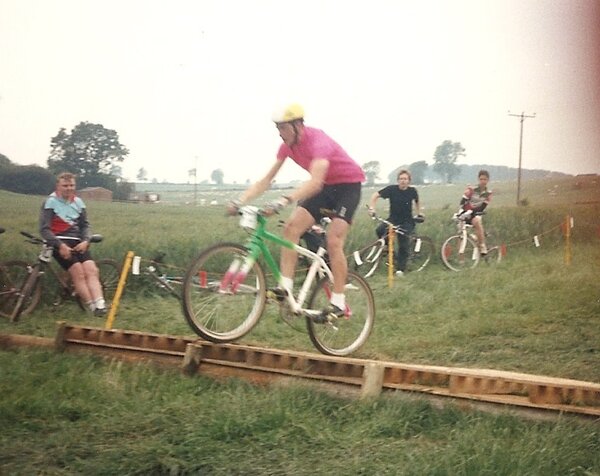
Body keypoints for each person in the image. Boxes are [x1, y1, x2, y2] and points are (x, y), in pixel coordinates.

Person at [227, 103, 365, 322]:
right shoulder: (286, 147)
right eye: (278, 129)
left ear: (298, 125)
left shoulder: (318, 141)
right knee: (291, 228)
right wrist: (239, 200)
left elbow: (316, 182)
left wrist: (284, 200)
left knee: (333, 239)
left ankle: (338, 301)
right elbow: (266, 180)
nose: (280, 134)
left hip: (347, 187)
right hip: (325, 188)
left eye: (283, 128)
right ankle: (286, 287)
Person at [40, 172, 108, 316]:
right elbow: (44, 229)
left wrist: (86, 241)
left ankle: (101, 304)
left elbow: (85, 226)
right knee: (78, 272)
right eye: (65, 185)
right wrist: (60, 245)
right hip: (59, 242)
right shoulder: (50, 202)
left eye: (71, 185)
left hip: (78, 242)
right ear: (58, 186)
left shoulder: (78, 202)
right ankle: (93, 307)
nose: (69, 188)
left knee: (91, 270)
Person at [367, 169, 422, 276]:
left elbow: (417, 201)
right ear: (398, 180)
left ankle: (400, 269)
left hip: (407, 221)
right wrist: (372, 208)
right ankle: (389, 250)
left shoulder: (412, 191)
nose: (403, 181)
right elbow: (375, 195)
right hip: (393, 219)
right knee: (380, 230)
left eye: (405, 179)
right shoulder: (392, 189)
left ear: (409, 181)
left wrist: (420, 213)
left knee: (403, 244)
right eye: (401, 179)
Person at [456, 169, 492, 255]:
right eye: (481, 179)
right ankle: (460, 258)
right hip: (465, 212)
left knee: (477, 221)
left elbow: (482, 207)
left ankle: (482, 246)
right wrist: (463, 211)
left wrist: (473, 212)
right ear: (478, 179)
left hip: (475, 214)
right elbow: (462, 202)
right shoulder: (471, 190)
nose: (483, 181)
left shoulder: (488, 194)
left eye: (485, 179)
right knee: (460, 234)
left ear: (488, 180)